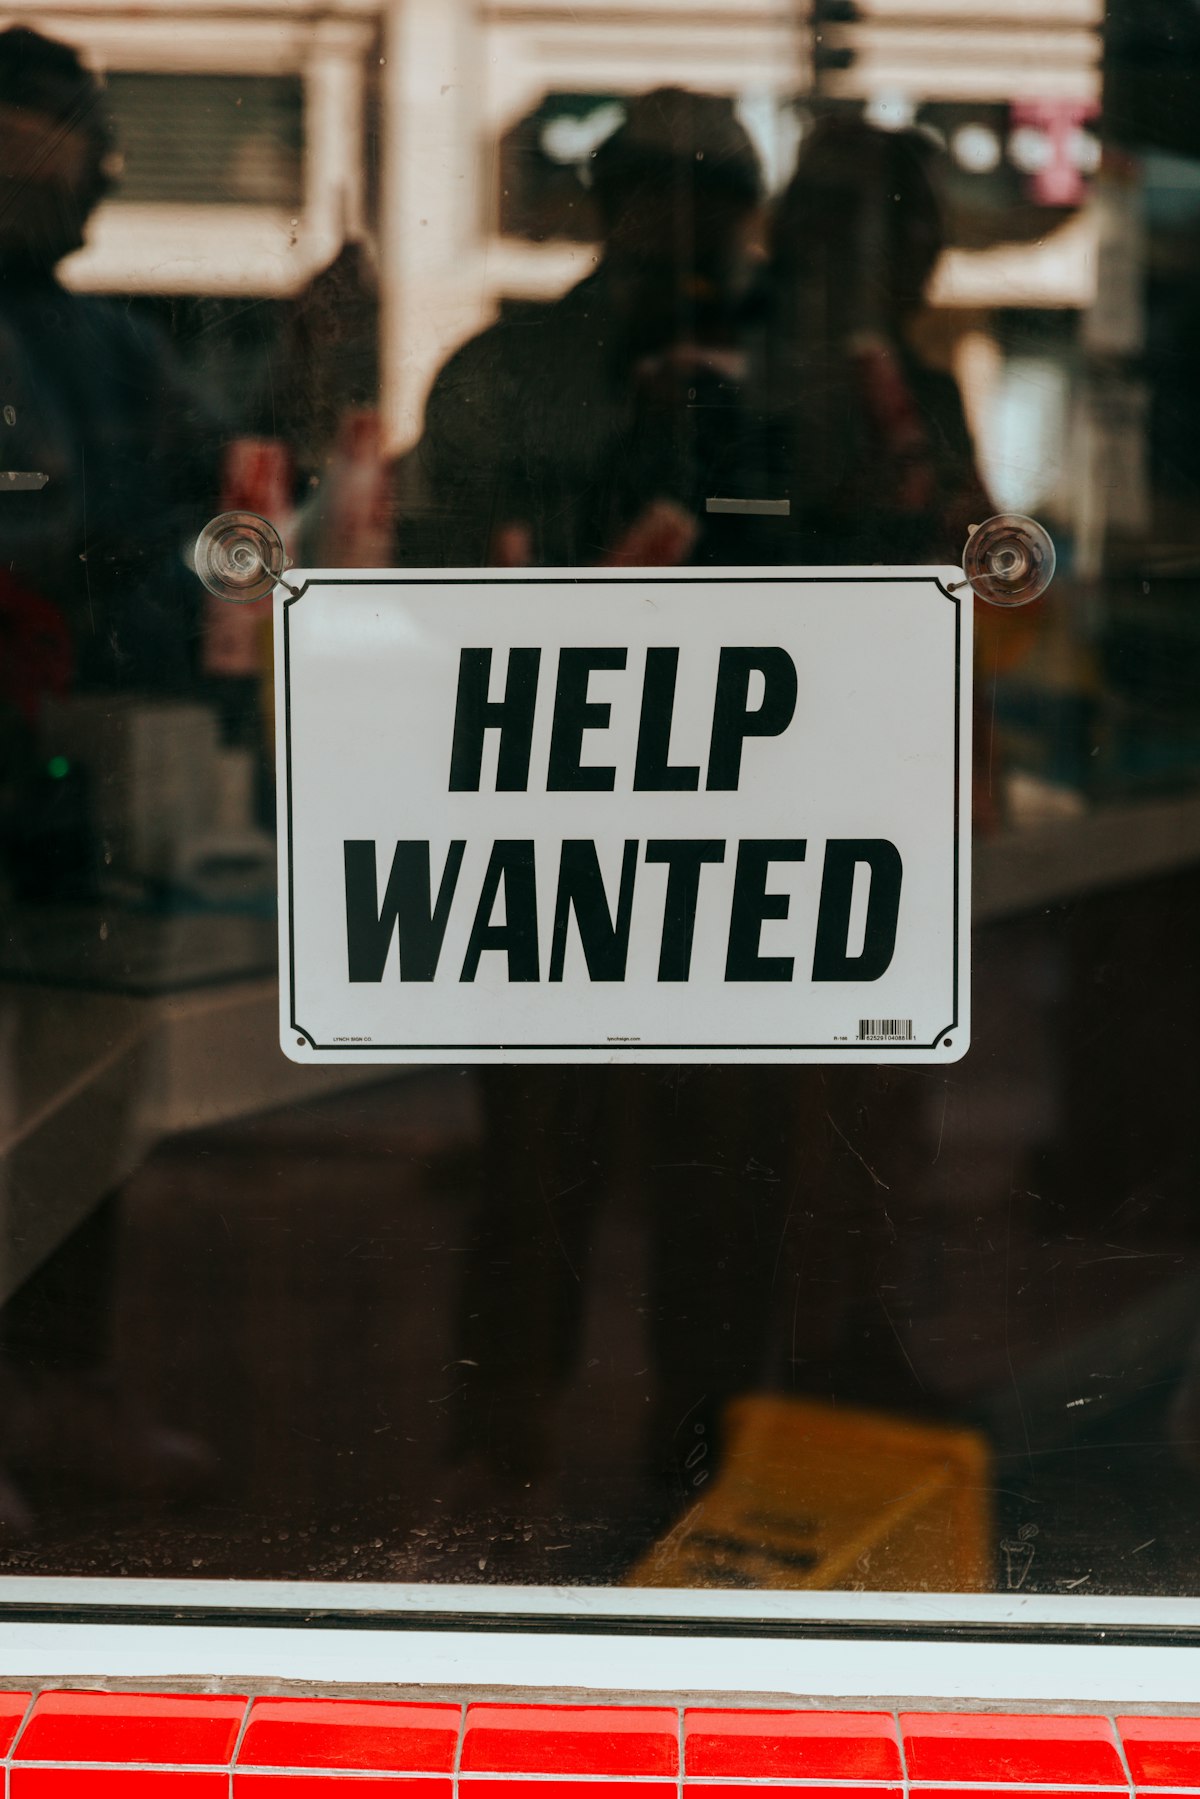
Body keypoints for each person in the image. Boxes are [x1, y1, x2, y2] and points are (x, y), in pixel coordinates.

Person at [395, 91, 819, 1514]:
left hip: (743, 815)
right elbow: (438, 584)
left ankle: (693, 1464)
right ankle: (503, 1452)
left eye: (714, 198)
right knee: (538, 1163)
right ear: (606, 200)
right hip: (553, 810)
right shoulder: (511, 369)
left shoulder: (796, 371)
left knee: (723, 1173)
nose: (684, 225)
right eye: (656, 190)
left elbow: (862, 574)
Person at [0, 25, 217, 1529]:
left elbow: (216, 506)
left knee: (87, 1086)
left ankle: (59, 1388)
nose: (90, 175)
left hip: (80, 780)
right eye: (63, 142)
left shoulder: (107, 343)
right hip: (30, 752)